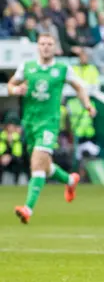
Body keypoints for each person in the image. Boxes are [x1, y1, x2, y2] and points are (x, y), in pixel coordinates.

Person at [7, 33, 95, 224]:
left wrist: (87, 104)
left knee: (37, 165)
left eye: (49, 44)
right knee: (44, 166)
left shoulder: (62, 69)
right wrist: (15, 90)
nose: (46, 47)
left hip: (49, 123)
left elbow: (79, 87)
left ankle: (28, 208)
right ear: (37, 47)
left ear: (55, 48)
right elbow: (11, 85)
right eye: (42, 44)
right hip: (30, 123)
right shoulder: (27, 67)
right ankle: (71, 181)